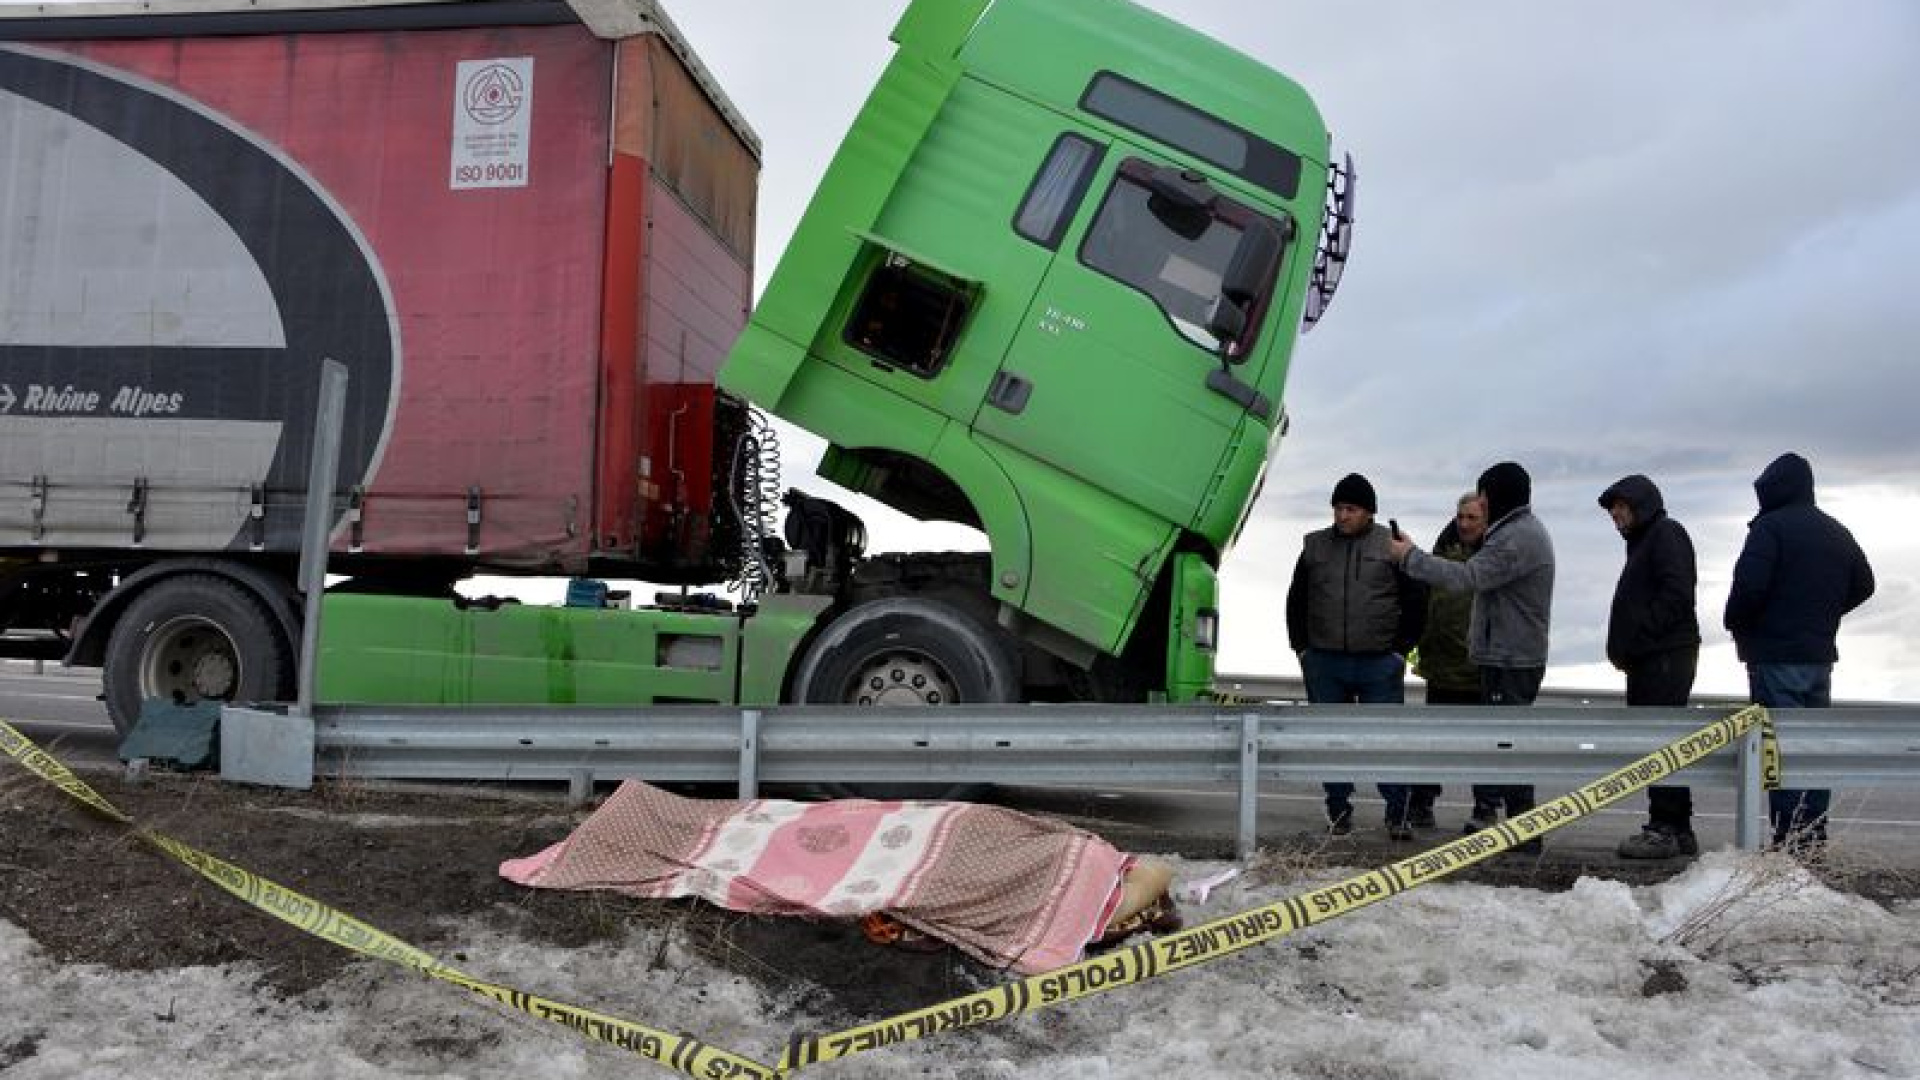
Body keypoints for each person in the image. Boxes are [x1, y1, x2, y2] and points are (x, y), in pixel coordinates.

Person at [1388, 461, 1553, 852]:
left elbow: (1467, 577)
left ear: (1498, 495)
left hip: (1512, 659)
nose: (1479, 502)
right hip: (1502, 656)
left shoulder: (1514, 538)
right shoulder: (1514, 532)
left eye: (1483, 494)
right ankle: (1519, 834)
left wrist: (1409, 557)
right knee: (1502, 746)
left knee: (1507, 748)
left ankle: (1525, 838)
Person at [1724, 452, 1874, 852]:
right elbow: (1865, 583)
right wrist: (1821, 615)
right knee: (1812, 747)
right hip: (1819, 656)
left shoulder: (1769, 529)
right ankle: (1812, 837)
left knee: (1782, 748)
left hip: (1774, 655)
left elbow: (1749, 590)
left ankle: (1789, 842)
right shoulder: (1834, 530)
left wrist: (1738, 623)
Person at [1285, 473, 1427, 840]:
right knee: (1331, 740)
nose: (1342, 516)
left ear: (1369, 512)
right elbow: (1296, 600)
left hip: (1379, 661)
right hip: (1325, 661)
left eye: (1350, 509)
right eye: (1338, 508)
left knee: (1386, 739)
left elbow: (1416, 601)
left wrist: (1400, 650)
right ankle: (1338, 811)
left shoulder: (1390, 546)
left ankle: (1397, 813)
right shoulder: (1314, 547)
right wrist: (1302, 648)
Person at [1599, 475, 1704, 860]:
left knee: (1662, 743)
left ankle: (1665, 828)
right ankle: (1677, 827)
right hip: (1654, 656)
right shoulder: (1645, 541)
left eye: (1621, 507)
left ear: (1640, 504)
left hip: (1664, 656)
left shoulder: (1665, 534)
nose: (1615, 514)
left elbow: (1678, 593)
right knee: (1662, 743)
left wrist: (1640, 638)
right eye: (1613, 508)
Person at [1406, 492, 1489, 829]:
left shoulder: (1492, 559)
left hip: (1478, 670)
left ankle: (1485, 809)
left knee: (1484, 746)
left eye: (1473, 518)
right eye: (1461, 516)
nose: (1465, 523)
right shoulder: (1442, 552)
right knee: (1433, 744)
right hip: (1440, 668)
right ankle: (1421, 804)